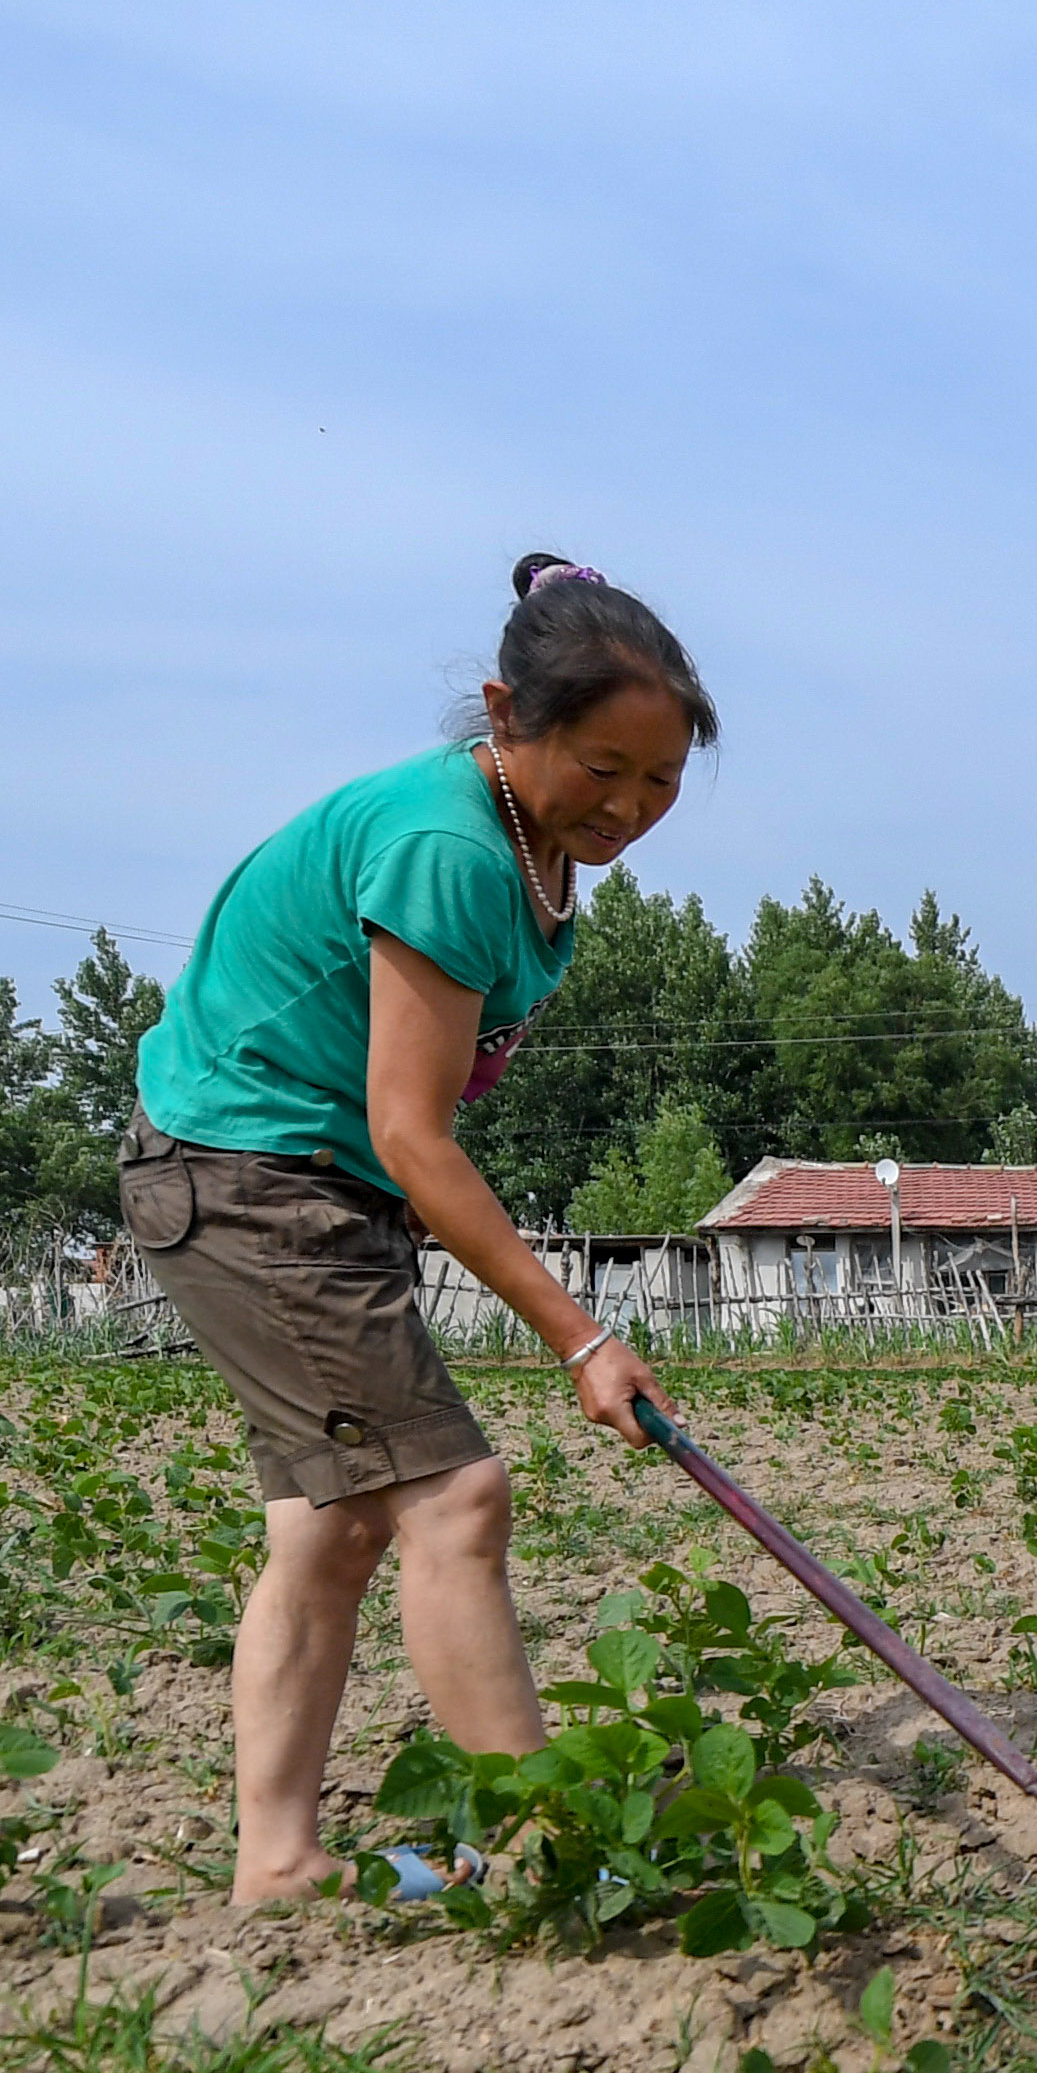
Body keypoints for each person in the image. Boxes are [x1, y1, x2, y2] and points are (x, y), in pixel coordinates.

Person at [124, 553, 710, 1905]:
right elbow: (412, 1130)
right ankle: (538, 1854)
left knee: (329, 1531)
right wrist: (581, 1337)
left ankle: (277, 1860)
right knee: (455, 1496)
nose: (627, 807)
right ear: (509, 714)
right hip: (255, 1176)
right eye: (601, 766)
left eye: (661, 782)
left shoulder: (529, 844)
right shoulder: (450, 845)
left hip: (291, 1178)